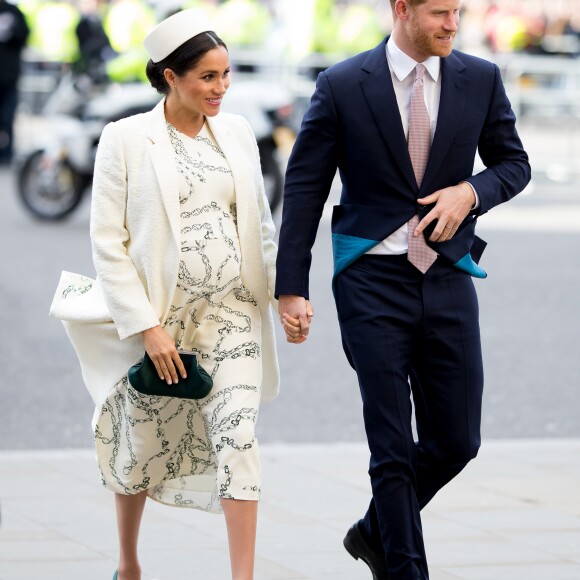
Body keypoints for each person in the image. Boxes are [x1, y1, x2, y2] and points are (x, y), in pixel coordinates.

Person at [276, 0, 531, 578]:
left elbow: (514, 164)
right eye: (440, 11)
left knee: (457, 440)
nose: (452, 24)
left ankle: (373, 532)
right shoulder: (341, 84)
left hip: (447, 275)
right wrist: (291, 287)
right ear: (402, 9)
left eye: (458, 12)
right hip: (370, 280)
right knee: (391, 448)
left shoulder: (481, 78)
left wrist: (471, 191)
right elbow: (305, 187)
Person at [50, 8, 279, 580]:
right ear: (170, 76)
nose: (220, 88)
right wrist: (146, 329)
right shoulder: (124, 139)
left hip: (234, 315)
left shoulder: (239, 132)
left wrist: (286, 296)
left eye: (225, 75)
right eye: (207, 76)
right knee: (143, 443)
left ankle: (243, 577)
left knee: (239, 437)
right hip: (160, 319)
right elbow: (108, 242)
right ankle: (129, 563)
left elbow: (259, 226)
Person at [0, 0, 29, 165]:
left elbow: (25, 34)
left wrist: (12, 30)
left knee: (8, 115)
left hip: (9, 75)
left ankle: (7, 153)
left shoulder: (13, 12)